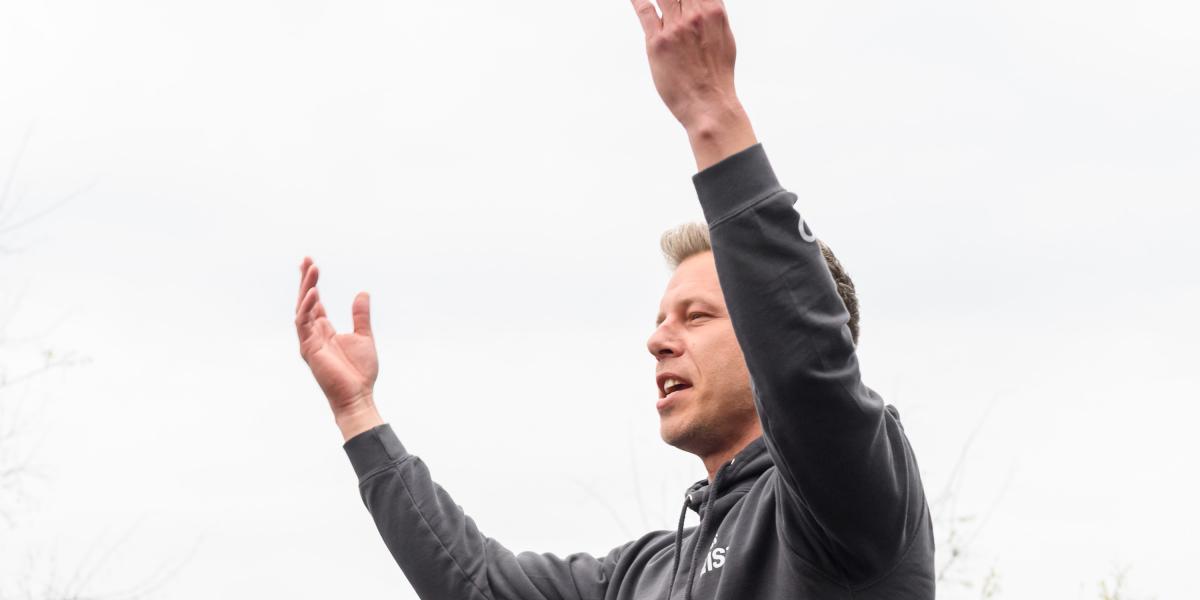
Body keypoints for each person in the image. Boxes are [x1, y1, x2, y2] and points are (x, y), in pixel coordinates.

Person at [292, 1, 935, 598]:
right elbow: (477, 583)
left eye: (697, 316)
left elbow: (804, 365)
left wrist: (711, 112)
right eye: (661, 320)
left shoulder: (851, 498)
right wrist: (357, 411)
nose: (657, 340)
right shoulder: (644, 574)